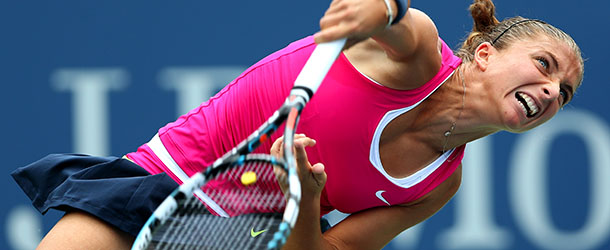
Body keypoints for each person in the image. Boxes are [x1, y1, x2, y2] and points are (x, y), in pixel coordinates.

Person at [11, 0, 584, 249]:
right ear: (483, 53)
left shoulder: (440, 183)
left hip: (245, 241)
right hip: (167, 177)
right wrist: (379, 13)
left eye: (565, 92)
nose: (552, 90)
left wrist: (307, 200)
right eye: (544, 65)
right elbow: (401, 21)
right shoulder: (420, 57)